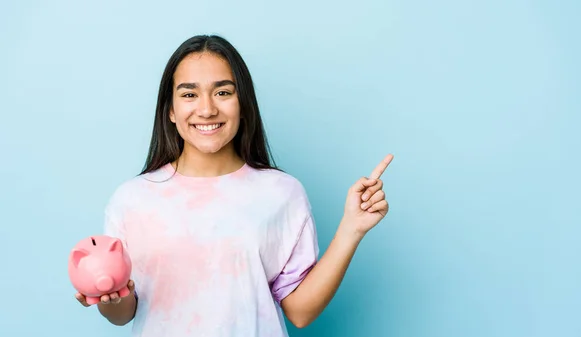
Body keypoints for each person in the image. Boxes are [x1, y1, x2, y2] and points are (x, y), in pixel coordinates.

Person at [74, 34, 393, 336]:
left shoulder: (282, 193)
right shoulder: (133, 199)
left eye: (223, 92)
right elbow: (123, 314)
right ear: (171, 110)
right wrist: (111, 298)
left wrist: (352, 229)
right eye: (189, 94)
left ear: (243, 104)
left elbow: (300, 311)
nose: (206, 108)